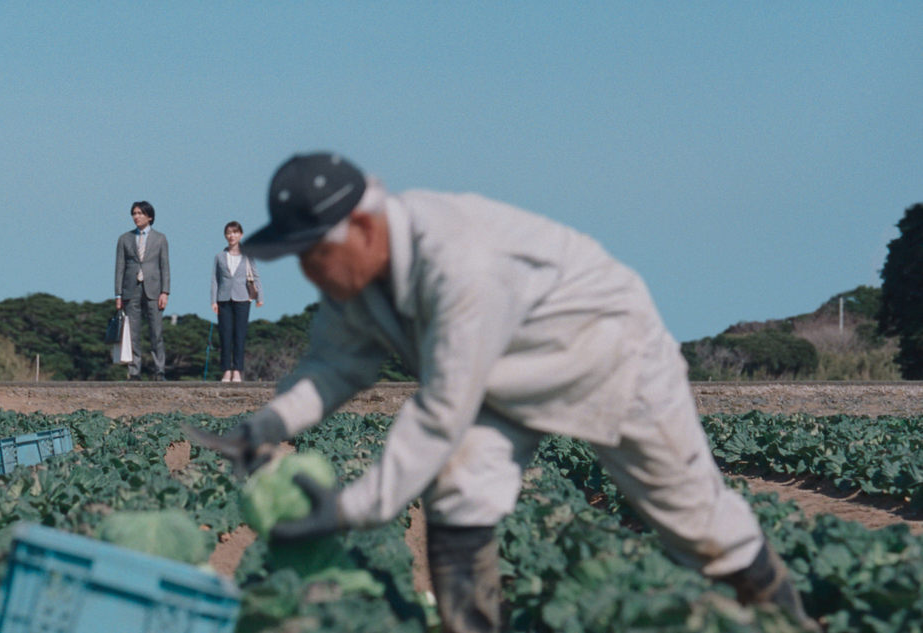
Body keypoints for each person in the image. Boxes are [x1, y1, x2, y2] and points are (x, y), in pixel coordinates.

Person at [200, 152, 819, 632]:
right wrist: (267, 424)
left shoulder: (460, 261)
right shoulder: (356, 277)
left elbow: (441, 411)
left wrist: (350, 509)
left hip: (606, 356)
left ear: (362, 225)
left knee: (697, 519)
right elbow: (333, 366)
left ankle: (786, 620)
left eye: (312, 256)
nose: (308, 273)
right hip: (500, 381)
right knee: (460, 495)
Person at [114, 201, 170, 381]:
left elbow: (165, 267)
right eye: (134, 213)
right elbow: (119, 267)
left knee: (156, 332)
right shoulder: (124, 238)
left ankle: (159, 369)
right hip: (131, 289)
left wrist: (165, 292)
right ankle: (134, 370)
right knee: (133, 333)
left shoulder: (160, 238)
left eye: (140, 213)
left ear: (149, 217)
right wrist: (118, 294)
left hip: (153, 289)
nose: (136, 216)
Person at [210, 220, 264, 382]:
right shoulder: (219, 256)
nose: (231, 236)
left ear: (240, 235)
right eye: (228, 232)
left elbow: (255, 276)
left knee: (239, 336)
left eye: (234, 232)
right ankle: (226, 370)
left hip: (243, 298)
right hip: (224, 299)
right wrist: (213, 300)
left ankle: (237, 371)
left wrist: (259, 297)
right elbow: (215, 279)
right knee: (225, 336)